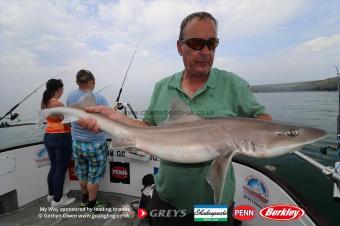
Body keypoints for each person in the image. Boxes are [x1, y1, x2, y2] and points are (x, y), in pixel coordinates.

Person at [78, 12, 272, 225]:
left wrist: (251, 141)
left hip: (213, 205)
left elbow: (263, 120)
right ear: (180, 47)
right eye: (197, 43)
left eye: (212, 43)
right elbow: (146, 128)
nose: (206, 51)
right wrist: (114, 118)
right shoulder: (163, 87)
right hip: (167, 199)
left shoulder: (233, 84)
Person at [66, 69, 109, 210]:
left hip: (77, 143)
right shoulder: (100, 98)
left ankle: (84, 198)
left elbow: (68, 115)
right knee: (94, 176)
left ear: (77, 82)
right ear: (93, 82)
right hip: (95, 144)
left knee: (82, 173)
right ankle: (92, 204)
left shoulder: (71, 95)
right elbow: (108, 119)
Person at [41, 79, 75, 208]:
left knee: (54, 166)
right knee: (61, 168)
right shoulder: (58, 104)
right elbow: (66, 121)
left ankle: (51, 195)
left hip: (48, 136)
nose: (62, 92)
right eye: (62, 89)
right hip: (61, 137)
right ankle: (58, 199)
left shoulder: (45, 103)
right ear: (58, 89)